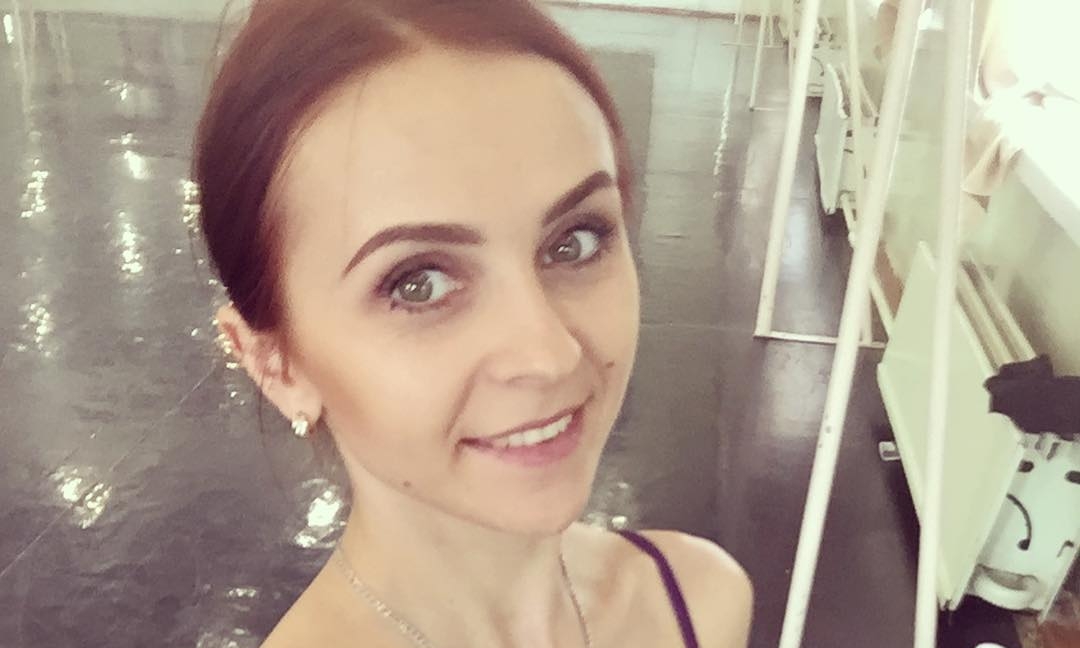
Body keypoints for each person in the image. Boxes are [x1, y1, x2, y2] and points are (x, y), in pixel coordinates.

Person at [194, 0, 753, 645]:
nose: (550, 354)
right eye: (419, 284)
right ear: (278, 367)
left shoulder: (698, 601)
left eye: (575, 241)